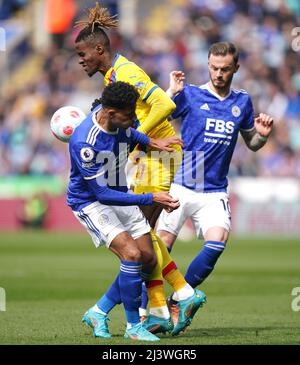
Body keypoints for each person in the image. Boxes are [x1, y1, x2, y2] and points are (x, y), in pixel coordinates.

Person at [74, 2, 206, 336]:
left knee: (140, 246)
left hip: (155, 157)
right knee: (142, 244)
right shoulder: (114, 76)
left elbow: (164, 104)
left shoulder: (126, 73)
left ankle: (173, 299)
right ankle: (163, 306)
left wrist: (136, 139)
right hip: (149, 154)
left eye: (82, 53)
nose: (80, 60)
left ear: (99, 49)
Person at [156, 42, 274, 307]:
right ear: (208, 65)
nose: (218, 73)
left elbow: (252, 143)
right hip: (183, 183)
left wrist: (262, 137)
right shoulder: (192, 95)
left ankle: (177, 300)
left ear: (236, 68)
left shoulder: (242, 101)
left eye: (225, 69)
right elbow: (159, 112)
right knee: (160, 245)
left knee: (217, 242)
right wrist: (171, 91)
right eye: (214, 68)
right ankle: (146, 308)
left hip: (214, 189)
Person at [67, 81, 182, 342]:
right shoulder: (86, 143)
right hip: (91, 202)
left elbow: (131, 134)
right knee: (131, 255)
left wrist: (154, 141)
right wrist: (151, 197)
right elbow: (102, 194)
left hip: (121, 194)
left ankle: (99, 311)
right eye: (128, 116)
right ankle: (133, 327)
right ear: (109, 113)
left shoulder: (120, 122)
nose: (133, 120)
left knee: (149, 260)